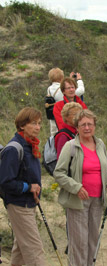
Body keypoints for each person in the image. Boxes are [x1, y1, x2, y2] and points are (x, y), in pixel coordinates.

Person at [53, 109, 107, 266]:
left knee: (92, 240)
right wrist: (76, 187)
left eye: (90, 124)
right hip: (78, 201)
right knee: (79, 242)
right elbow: (59, 173)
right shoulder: (71, 146)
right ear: (77, 127)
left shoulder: (100, 144)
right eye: (83, 125)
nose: (87, 128)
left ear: (95, 126)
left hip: (97, 199)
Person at [0, 107, 45, 265]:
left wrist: (35, 190)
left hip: (29, 203)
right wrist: (28, 187)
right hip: (19, 204)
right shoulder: (14, 149)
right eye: (33, 123)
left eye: (39, 123)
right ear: (22, 125)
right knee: (35, 249)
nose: (38, 127)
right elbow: (5, 182)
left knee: (20, 248)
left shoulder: (30, 145)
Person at [47, 68, 85, 136]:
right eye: (68, 88)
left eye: (72, 87)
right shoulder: (60, 89)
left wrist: (70, 80)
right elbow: (81, 91)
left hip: (53, 116)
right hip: (63, 112)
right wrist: (79, 80)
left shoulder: (49, 89)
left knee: (54, 134)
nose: (71, 89)